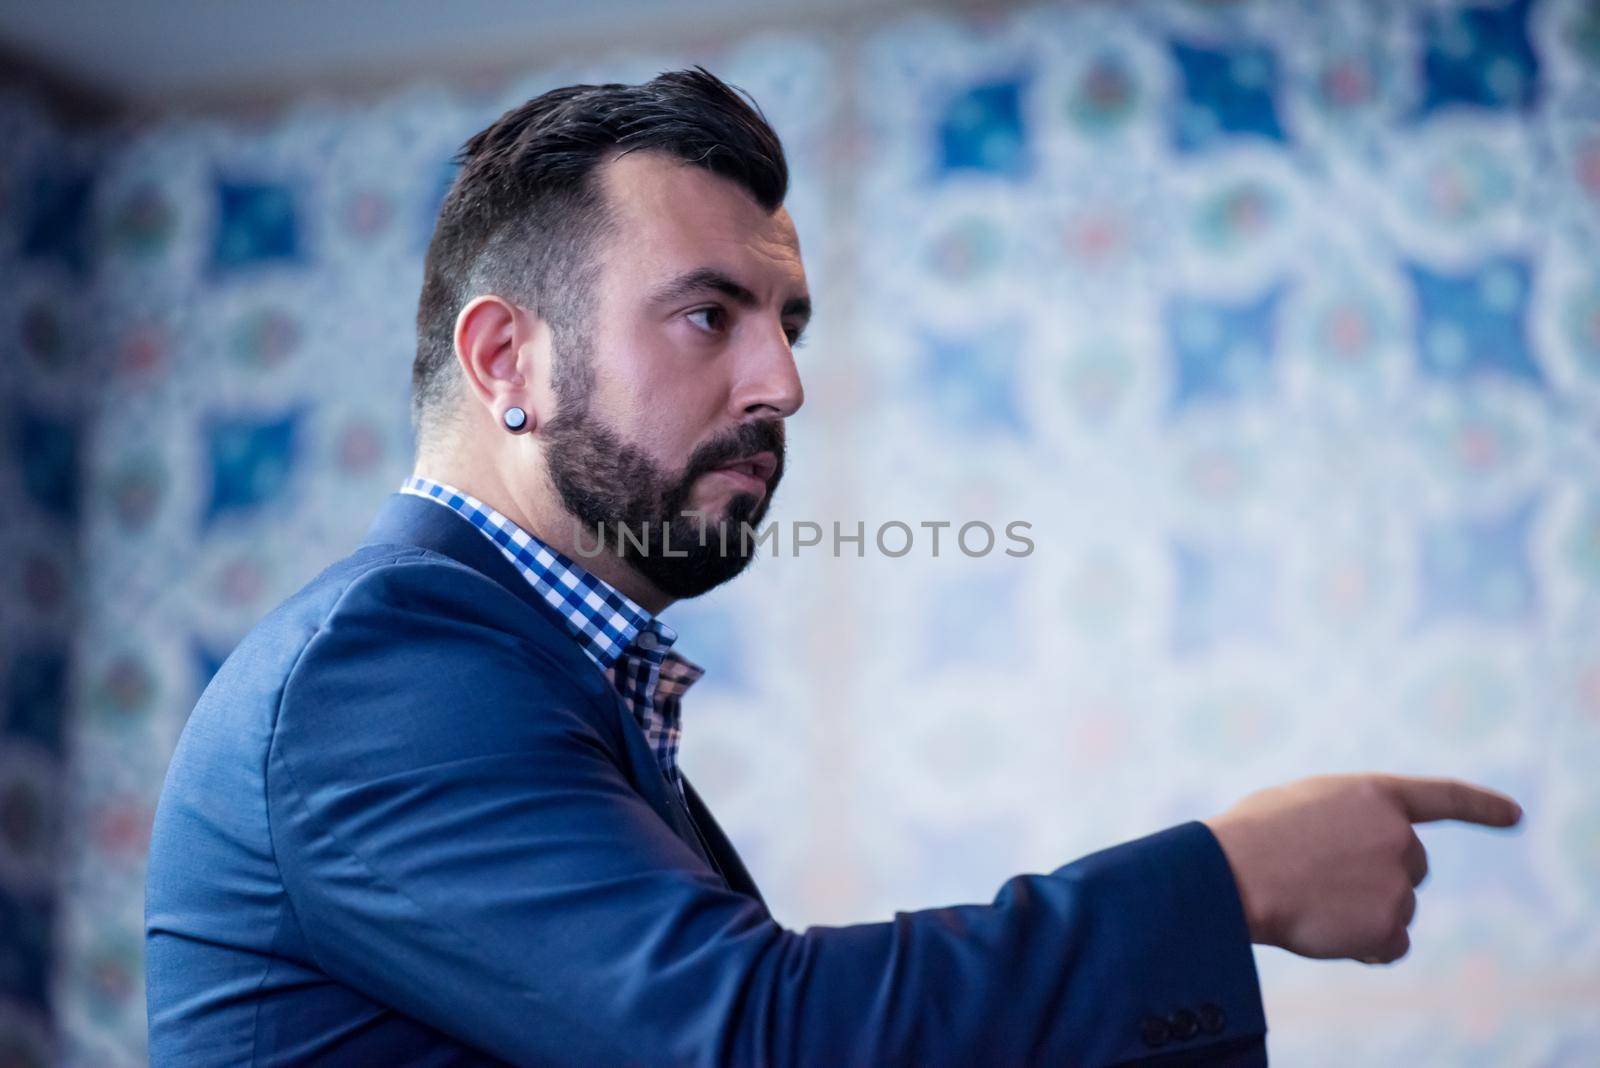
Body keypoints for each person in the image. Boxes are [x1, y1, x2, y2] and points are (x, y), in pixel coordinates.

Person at [144, 68, 1523, 1066]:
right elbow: (756, 1038)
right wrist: (1226, 882)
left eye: (789, 322)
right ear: (508, 358)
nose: (784, 383)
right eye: (710, 314)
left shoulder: (532, 677)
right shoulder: (382, 674)